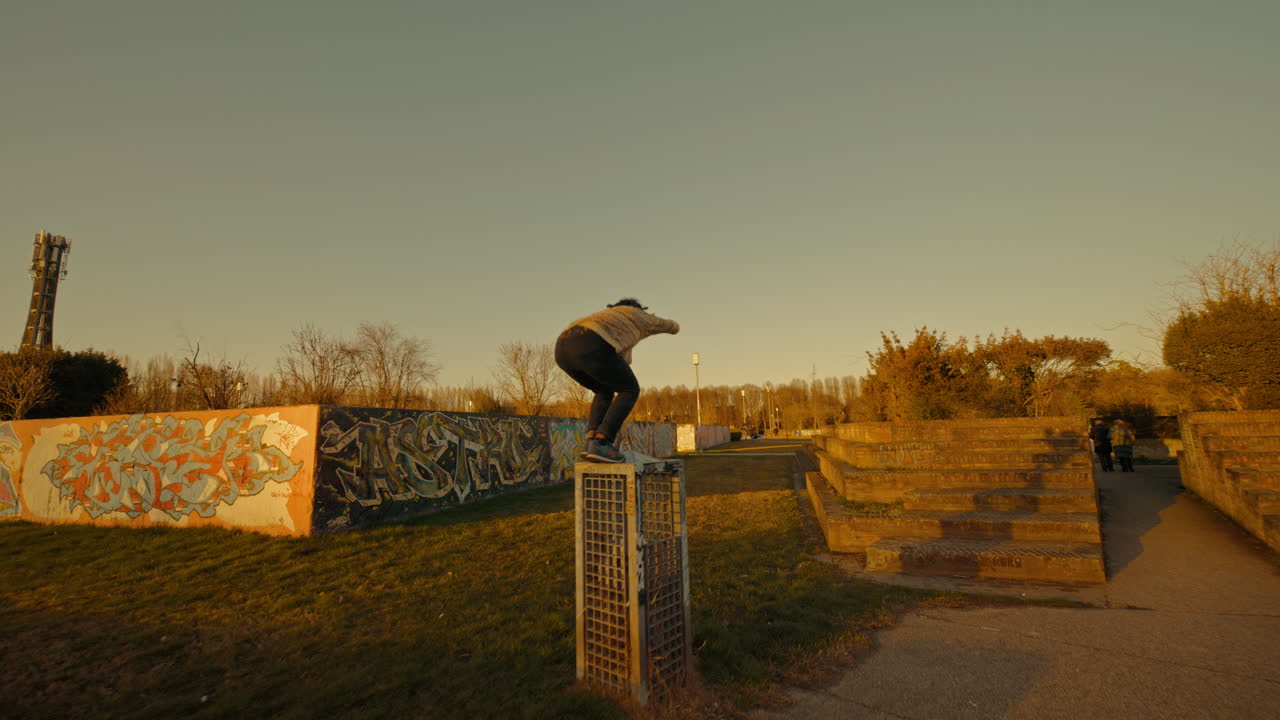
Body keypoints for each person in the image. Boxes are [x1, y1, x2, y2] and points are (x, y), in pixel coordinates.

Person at [554, 298, 680, 463]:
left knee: (604, 390)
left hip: (563, 349)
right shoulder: (637, 314)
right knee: (630, 389)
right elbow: (670, 326)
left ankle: (591, 441)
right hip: (592, 343)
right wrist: (661, 321)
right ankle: (603, 441)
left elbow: (619, 361)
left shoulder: (609, 317)